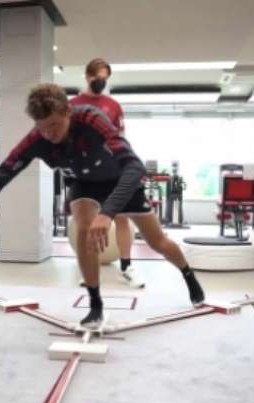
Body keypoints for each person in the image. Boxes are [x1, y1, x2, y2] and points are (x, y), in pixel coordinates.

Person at [0, 84, 205, 328]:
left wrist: (108, 213)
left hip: (121, 180)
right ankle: (95, 304)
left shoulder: (91, 120)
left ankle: (189, 276)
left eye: (54, 125)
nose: (49, 134)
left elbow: (134, 166)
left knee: (158, 241)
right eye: (42, 127)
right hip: (83, 183)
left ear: (68, 111)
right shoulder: (36, 139)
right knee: (82, 229)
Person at [69, 58, 145, 289]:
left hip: (113, 169)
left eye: (105, 78)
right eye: (97, 77)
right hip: (87, 172)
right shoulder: (72, 104)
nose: (101, 81)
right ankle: (89, 269)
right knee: (89, 221)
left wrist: (128, 164)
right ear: (88, 76)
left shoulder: (113, 105)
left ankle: (126, 268)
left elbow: (121, 136)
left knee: (121, 218)